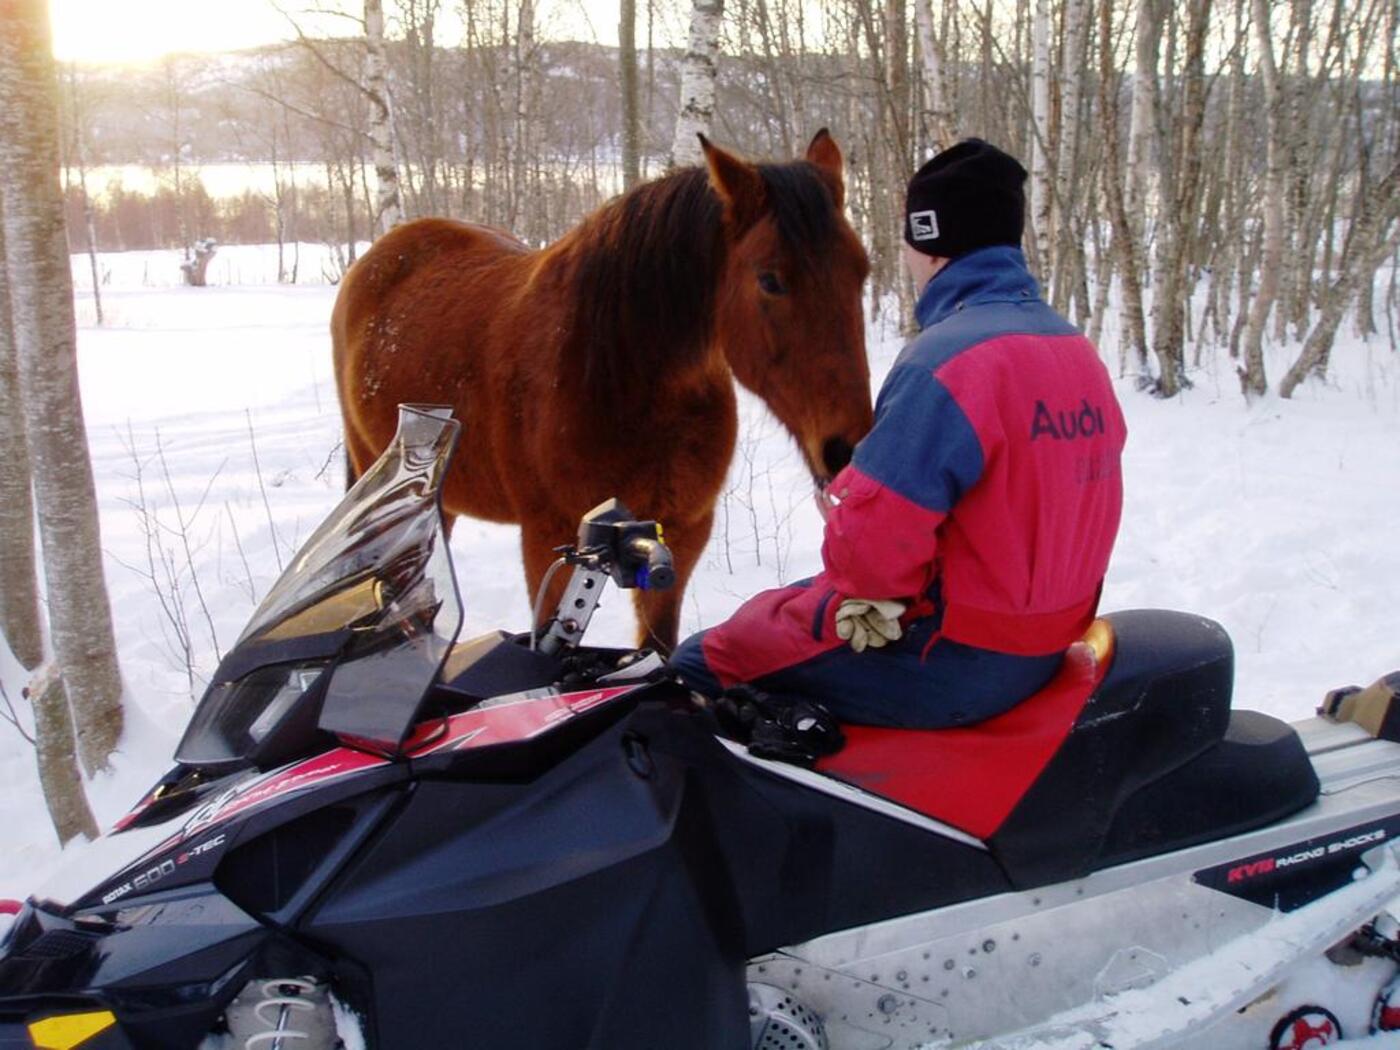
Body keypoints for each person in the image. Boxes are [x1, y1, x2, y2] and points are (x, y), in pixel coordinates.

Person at [668, 138, 1128, 731]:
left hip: (950, 659)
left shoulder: (946, 364)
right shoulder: (1074, 349)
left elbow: (871, 569)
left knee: (701, 661)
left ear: (929, 246)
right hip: (1046, 645)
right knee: (778, 611)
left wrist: (847, 512)